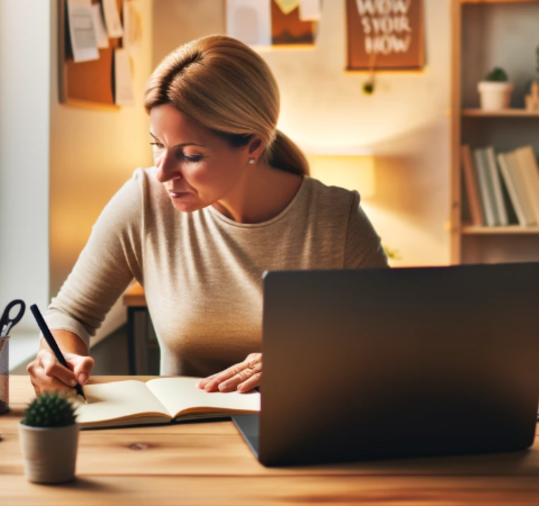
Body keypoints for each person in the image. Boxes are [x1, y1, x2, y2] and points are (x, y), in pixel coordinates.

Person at [27, 35, 388, 396]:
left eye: (191, 155)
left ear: (254, 146)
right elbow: (70, 313)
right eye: (158, 145)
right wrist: (59, 358)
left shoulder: (337, 221)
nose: (164, 172)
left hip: (309, 430)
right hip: (184, 439)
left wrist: (303, 358)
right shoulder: (144, 201)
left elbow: (390, 338)